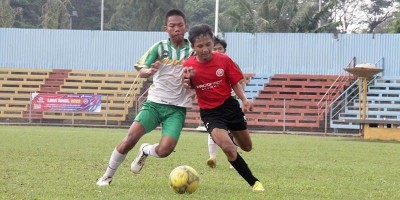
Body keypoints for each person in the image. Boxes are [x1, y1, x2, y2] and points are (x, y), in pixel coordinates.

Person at [96, 8, 194, 186]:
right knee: (130, 139)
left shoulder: (193, 51)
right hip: (155, 103)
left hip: (177, 108)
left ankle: (146, 150)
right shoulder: (159, 47)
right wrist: (149, 70)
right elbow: (142, 70)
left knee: (165, 150)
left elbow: (198, 76)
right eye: (172, 26)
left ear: (186, 27)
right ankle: (107, 176)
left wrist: (191, 80)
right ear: (166, 28)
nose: (177, 29)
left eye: (180, 25)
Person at [182, 24, 265, 192]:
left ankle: (231, 138)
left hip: (230, 107)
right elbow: (187, 89)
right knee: (228, 148)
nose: (205, 49)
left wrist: (244, 100)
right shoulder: (188, 65)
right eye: (200, 46)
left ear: (212, 43)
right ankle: (254, 182)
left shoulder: (224, 60)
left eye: (208, 45)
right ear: (193, 47)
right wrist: (186, 80)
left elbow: (235, 82)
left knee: (247, 147)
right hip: (210, 113)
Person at [206, 36, 245, 169]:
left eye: (220, 48)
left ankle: (234, 158)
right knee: (213, 130)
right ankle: (212, 157)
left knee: (236, 133)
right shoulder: (207, 65)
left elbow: (239, 81)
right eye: (215, 48)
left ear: (225, 50)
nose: (217, 51)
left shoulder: (230, 63)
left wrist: (242, 99)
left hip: (231, 102)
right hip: (214, 104)